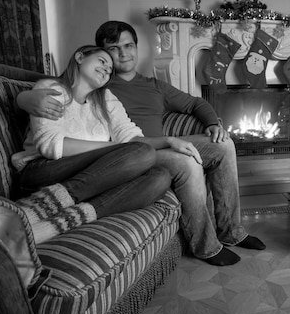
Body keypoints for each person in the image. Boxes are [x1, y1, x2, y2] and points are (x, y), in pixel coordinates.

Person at [16, 21, 265, 266]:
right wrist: (23, 98)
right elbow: (46, 103)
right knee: (177, 161)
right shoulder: (85, 86)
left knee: (221, 146)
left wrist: (211, 125)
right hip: (118, 157)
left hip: (135, 150)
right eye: (111, 50)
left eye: (128, 45)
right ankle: (206, 246)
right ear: (85, 55)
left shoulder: (128, 91)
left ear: (137, 47)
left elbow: (189, 106)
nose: (121, 54)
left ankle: (231, 231)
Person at [11, 45, 171, 244]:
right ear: (79, 57)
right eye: (102, 61)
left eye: (110, 70)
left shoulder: (106, 98)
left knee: (160, 176)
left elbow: (130, 138)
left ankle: (68, 219)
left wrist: (168, 140)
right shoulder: (51, 88)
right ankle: (41, 206)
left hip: (87, 175)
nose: (106, 69)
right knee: (143, 153)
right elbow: (50, 146)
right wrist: (113, 149)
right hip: (41, 170)